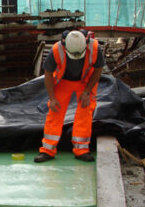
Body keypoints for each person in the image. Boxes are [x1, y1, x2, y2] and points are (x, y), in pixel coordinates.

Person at [34, 29, 104, 163]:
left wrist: (87, 92)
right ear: (65, 44)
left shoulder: (94, 48)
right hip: (63, 82)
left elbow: (98, 70)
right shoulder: (56, 50)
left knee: (85, 112)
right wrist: (52, 98)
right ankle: (47, 150)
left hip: (85, 82)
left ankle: (81, 150)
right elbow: (48, 74)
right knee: (55, 111)